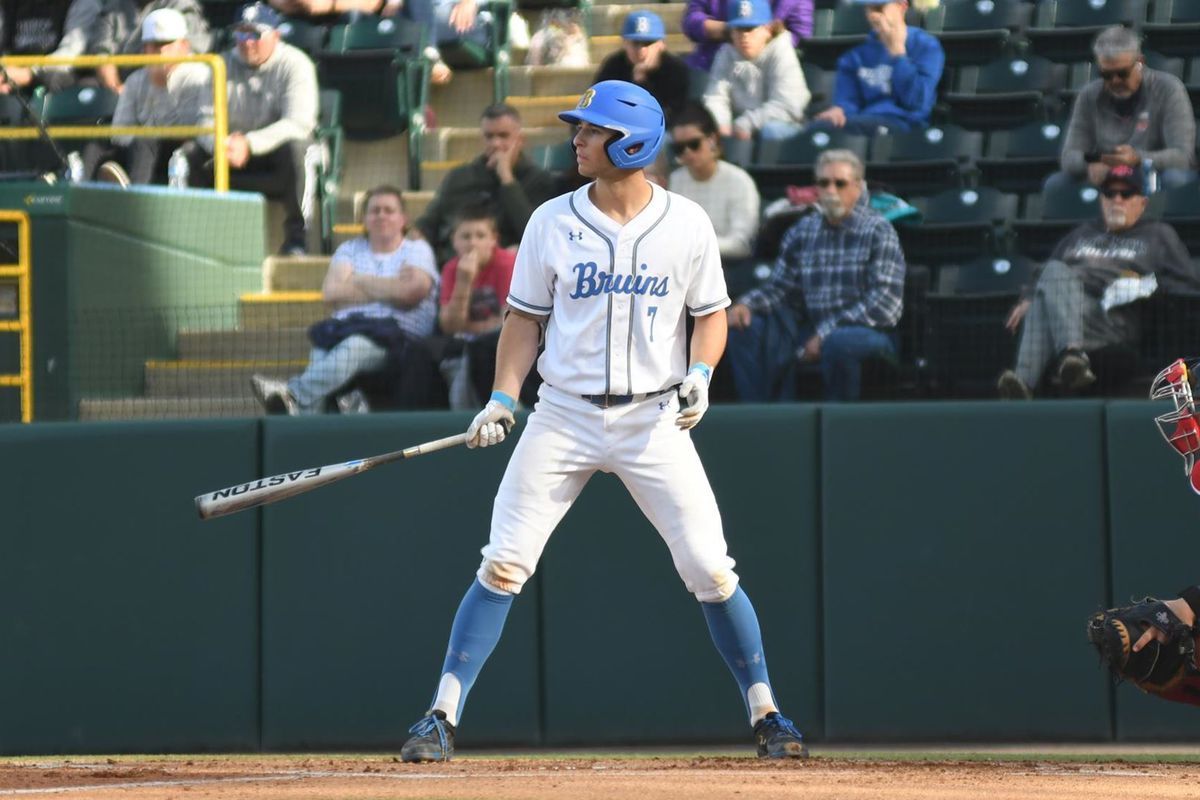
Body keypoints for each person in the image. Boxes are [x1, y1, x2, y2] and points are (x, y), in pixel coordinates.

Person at [398, 80, 809, 763]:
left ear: (633, 142)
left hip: (654, 420)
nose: (577, 139)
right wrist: (504, 396)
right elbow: (524, 319)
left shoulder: (685, 223)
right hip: (562, 415)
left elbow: (709, 314)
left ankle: (767, 712)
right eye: (581, 128)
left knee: (709, 566)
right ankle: (441, 714)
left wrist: (700, 376)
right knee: (503, 563)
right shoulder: (550, 221)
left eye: (591, 130)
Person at [997, 164, 1200, 400]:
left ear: (1142, 202)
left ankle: (1029, 378)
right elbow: (1044, 272)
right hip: (1066, 311)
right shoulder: (1082, 233)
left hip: (1111, 318)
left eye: (1126, 194)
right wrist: (1029, 297)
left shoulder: (1158, 235)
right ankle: (1062, 363)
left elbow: (1187, 285)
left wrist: (1146, 285)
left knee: (1052, 281)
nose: (1117, 200)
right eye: (1109, 194)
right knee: (1052, 275)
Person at [726, 149, 905, 402]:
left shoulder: (879, 230)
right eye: (824, 183)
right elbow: (779, 287)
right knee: (744, 328)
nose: (831, 190)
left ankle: (839, 427)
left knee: (840, 343)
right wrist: (745, 305)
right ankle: (763, 420)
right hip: (810, 330)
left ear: (858, 187)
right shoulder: (803, 231)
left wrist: (826, 334)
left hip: (869, 333)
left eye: (840, 183)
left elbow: (885, 306)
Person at [249, 185, 440, 415]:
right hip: (345, 330)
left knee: (353, 347)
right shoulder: (349, 249)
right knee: (321, 353)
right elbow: (331, 293)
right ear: (364, 218)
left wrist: (358, 280)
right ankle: (306, 429)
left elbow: (411, 293)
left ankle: (292, 394)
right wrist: (390, 287)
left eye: (389, 210)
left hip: (398, 339)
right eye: (374, 210)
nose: (381, 215)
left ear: (403, 219)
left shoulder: (416, 250)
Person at [195, 2, 318, 254]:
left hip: (275, 151)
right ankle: (193, 237)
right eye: (240, 33)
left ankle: (297, 238)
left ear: (276, 34)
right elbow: (203, 120)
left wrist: (249, 144)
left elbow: (299, 123)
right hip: (230, 151)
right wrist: (223, 145)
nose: (246, 42)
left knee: (300, 151)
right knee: (187, 154)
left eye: (255, 34)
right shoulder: (220, 63)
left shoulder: (296, 64)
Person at [1054, 25, 1196, 193]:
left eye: (1122, 73)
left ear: (1140, 63)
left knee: (1176, 178)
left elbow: (1182, 157)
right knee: (1056, 184)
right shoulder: (1088, 94)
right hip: (1107, 175)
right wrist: (1097, 160)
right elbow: (1069, 156)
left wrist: (1138, 159)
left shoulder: (1168, 88)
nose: (1114, 81)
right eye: (1106, 75)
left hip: (1151, 173)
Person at [82, 8, 212, 186]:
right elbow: (119, 130)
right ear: (145, 49)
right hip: (143, 148)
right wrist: (136, 136)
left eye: (167, 43)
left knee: (146, 141)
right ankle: (80, 194)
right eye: (154, 45)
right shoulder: (136, 79)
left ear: (184, 46)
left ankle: (136, 199)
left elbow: (201, 130)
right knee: (99, 142)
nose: (161, 51)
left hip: (184, 150)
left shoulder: (200, 76)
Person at [415, 103, 558, 264]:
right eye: (489, 137)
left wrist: (507, 179)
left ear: (520, 140)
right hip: (454, 264)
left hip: (508, 268)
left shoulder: (539, 180)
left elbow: (535, 235)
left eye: (503, 136)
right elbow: (428, 224)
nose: (495, 144)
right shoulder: (459, 177)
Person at [809, 0, 943, 136]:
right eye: (869, 9)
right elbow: (847, 102)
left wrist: (898, 54)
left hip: (905, 124)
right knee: (817, 131)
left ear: (902, 6)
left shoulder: (925, 45)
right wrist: (840, 110)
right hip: (863, 121)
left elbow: (916, 101)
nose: (873, 15)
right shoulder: (855, 55)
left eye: (879, 8)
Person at [702, 0, 809, 166]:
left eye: (751, 29)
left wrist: (747, 123)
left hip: (784, 129)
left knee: (771, 131)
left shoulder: (782, 49)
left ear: (767, 29)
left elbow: (789, 105)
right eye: (739, 29)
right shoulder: (725, 53)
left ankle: (771, 184)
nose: (744, 35)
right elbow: (715, 97)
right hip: (738, 131)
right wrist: (721, 125)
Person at [434, 205, 516, 409]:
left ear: (493, 239)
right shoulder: (452, 268)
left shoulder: (508, 263)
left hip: (502, 344)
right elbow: (450, 326)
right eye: (466, 236)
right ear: (454, 241)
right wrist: (464, 281)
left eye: (480, 236)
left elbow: (509, 320)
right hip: (463, 346)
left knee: (479, 352)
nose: (473, 243)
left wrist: (469, 327)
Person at [667, 102, 760, 262]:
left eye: (694, 144)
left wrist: (692, 247)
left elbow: (741, 244)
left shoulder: (739, 181)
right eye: (679, 148)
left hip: (728, 268)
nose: (687, 152)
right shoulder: (676, 180)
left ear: (712, 140)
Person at [91, 0, 211, 94]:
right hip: (124, 86)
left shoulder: (182, 5)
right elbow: (102, 52)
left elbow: (189, 51)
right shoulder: (115, 6)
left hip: (173, 83)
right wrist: (116, 87)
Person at [594, 11, 689, 124]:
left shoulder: (674, 69)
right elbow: (596, 104)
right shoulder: (613, 65)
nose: (641, 50)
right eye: (635, 43)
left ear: (661, 44)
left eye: (648, 43)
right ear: (624, 43)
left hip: (661, 131)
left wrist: (642, 83)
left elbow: (672, 116)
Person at [683, 0, 812, 72]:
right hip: (711, 65)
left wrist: (763, 37)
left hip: (769, 71)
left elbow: (800, 36)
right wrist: (730, 31)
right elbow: (691, 21)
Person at [0, 0, 99, 94]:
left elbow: (72, 53)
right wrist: (5, 72)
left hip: (55, 75)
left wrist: (30, 73)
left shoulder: (82, 3)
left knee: (56, 79)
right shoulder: (7, 4)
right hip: (10, 73)